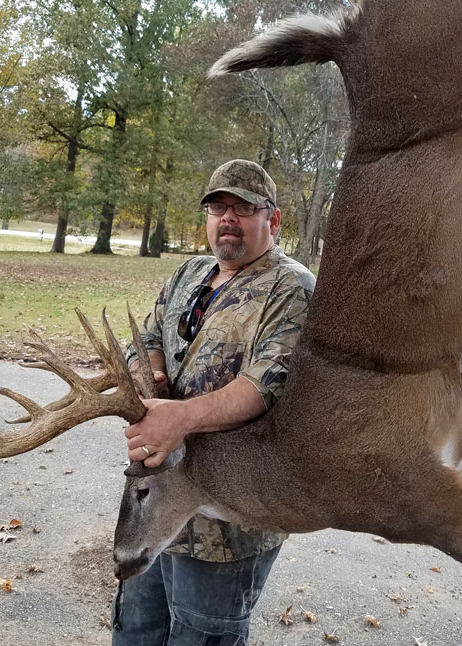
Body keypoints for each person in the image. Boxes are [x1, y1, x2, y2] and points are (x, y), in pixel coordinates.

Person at [113, 159, 316, 646]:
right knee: (136, 630)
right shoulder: (191, 272)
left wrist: (180, 417)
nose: (227, 217)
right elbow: (145, 338)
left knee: (201, 636)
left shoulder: (292, 287)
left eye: (242, 208)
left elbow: (266, 384)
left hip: (229, 524)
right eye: (217, 207)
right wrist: (148, 377)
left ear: (272, 219)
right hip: (157, 506)